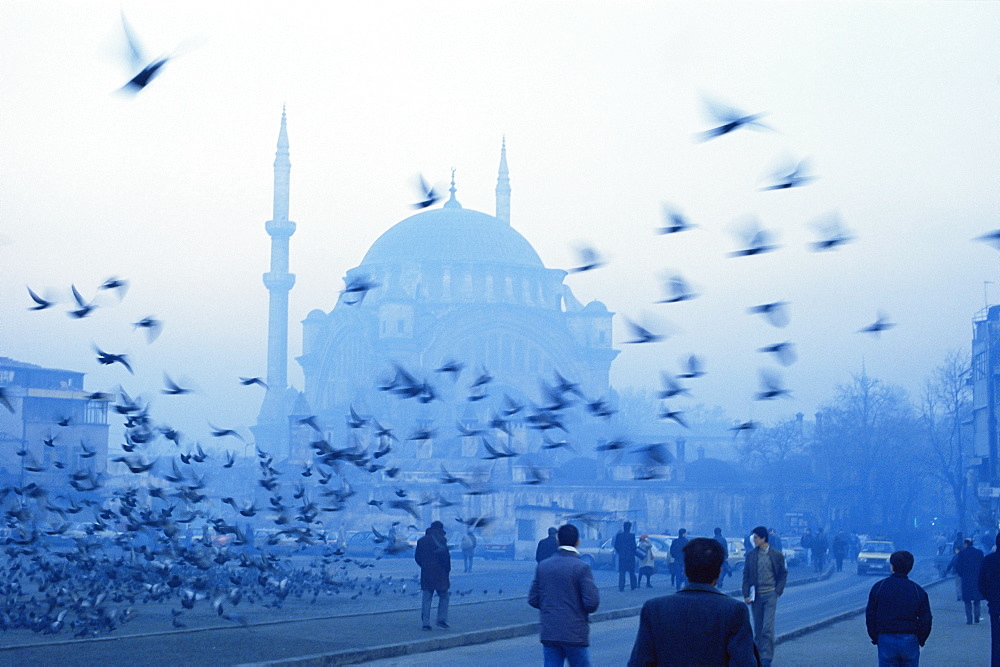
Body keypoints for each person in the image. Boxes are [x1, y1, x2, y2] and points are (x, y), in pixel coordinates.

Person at [628, 537, 759, 667]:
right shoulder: (734, 610)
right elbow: (744, 662)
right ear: (719, 572)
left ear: (685, 571)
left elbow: (639, 661)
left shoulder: (655, 609)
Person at [528, 523, 600, 667]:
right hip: (574, 633)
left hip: (550, 632)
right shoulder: (581, 567)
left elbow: (533, 598)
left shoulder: (543, 566)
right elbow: (591, 602)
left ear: (558, 542)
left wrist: (550, 606)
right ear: (578, 542)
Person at [866, 550, 932, 665]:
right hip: (910, 637)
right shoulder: (917, 590)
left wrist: (875, 636)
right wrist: (921, 638)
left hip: (886, 637)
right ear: (910, 567)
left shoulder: (879, 587)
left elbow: (871, 614)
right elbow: (926, 618)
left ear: (892, 566)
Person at [742, 526, 787, 667]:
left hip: (770, 594)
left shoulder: (776, 555)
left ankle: (766, 658)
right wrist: (746, 594)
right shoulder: (751, 555)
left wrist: (777, 590)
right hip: (756, 595)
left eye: (756, 537)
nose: (753, 540)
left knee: (767, 628)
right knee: (758, 628)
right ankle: (758, 657)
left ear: (763, 538)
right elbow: (746, 576)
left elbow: (782, 574)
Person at [414, 520, 451, 630]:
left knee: (426, 598)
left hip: (426, 573)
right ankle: (441, 620)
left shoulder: (421, 541)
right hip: (440, 574)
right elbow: (445, 559)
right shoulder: (441, 540)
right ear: (440, 530)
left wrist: (425, 566)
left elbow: (417, 558)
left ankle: (425, 623)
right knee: (444, 596)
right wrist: (447, 571)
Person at [978, 533, 1000, 666]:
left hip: (995, 605)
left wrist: (990, 598)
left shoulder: (988, 560)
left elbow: (981, 583)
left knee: (996, 639)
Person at [954, 538, 985, 624]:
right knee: (977, 599)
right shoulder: (979, 553)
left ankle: (969, 619)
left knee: (967, 601)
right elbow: (983, 565)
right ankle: (977, 616)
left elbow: (958, 567)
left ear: (965, 544)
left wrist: (962, 575)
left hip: (966, 579)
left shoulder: (962, 554)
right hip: (977, 579)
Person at [614, 521, 638, 591]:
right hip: (630, 557)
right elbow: (634, 547)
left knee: (622, 572)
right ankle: (633, 586)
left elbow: (616, 546)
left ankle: (621, 587)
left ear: (623, 527)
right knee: (632, 572)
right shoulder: (632, 536)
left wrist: (620, 552)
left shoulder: (619, 536)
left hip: (622, 557)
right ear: (630, 528)